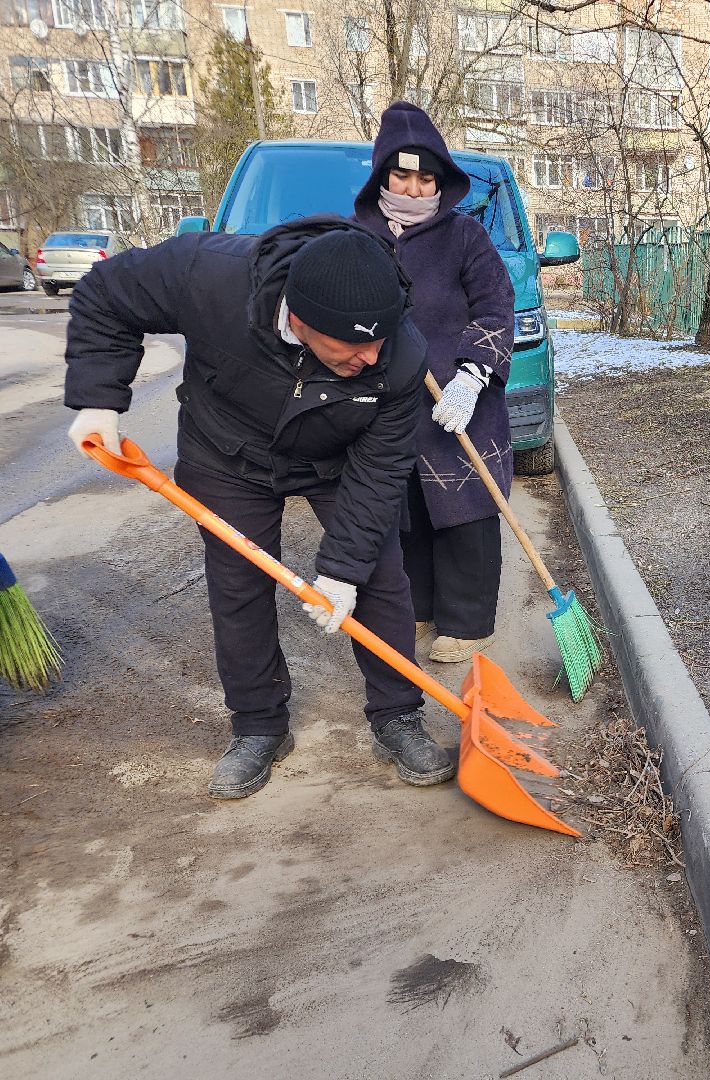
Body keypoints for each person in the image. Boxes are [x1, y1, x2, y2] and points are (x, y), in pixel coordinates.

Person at [63, 217, 457, 799]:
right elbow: (104, 292)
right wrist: (98, 398)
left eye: (380, 339)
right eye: (353, 344)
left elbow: (379, 475)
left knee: (377, 575)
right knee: (239, 583)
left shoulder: (399, 360)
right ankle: (259, 725)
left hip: (338, 458)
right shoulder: (209, 276)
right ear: (299, 318)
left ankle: (398, 714)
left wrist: (343, 570)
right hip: (226, 451)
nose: (372, 357)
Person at [353, 101, 517, 664]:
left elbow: (497, 306)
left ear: (440, 179)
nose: (416, 187)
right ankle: (419, 605)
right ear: (382, 173)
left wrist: (473, 375)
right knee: (407, 512)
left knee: (465, 508)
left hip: (458, 399)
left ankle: (469, 621)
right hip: (390, 402)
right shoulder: (361, 237)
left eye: (427, 177)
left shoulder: (465, 237)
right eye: (403, 174)